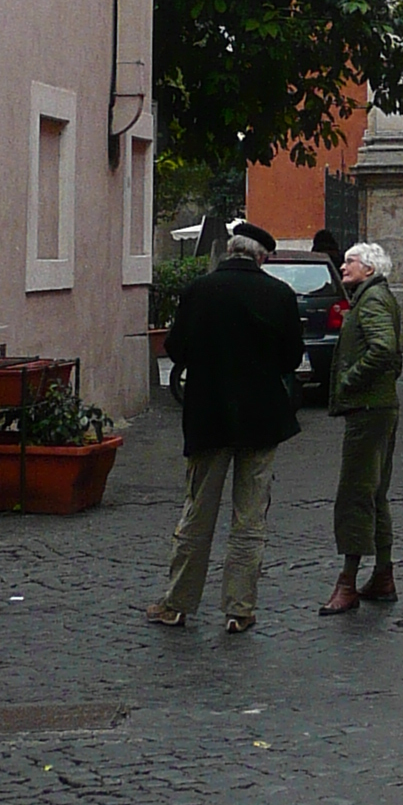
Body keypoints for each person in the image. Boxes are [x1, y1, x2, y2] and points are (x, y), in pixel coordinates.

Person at [148, 228, 303, 635]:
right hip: (262, 417)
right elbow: (291, 358)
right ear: (260, 258)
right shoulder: (279, 295)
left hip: (208, 414)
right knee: (250, 518)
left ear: (230, 251)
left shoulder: (200, 290)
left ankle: (177, 604)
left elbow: (176, 348)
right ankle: (240, 609)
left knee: (198, 512)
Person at [322, 240, 403, 614]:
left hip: (368, 409)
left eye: (349, 262)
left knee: (355, 494)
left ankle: (348, 581)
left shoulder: (371, 301)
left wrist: (350, 380)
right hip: (379, 406)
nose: (343, 268)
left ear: (369, 269)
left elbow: (383, 348)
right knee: (374, 494)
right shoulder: (374, 297)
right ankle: (382, 575)